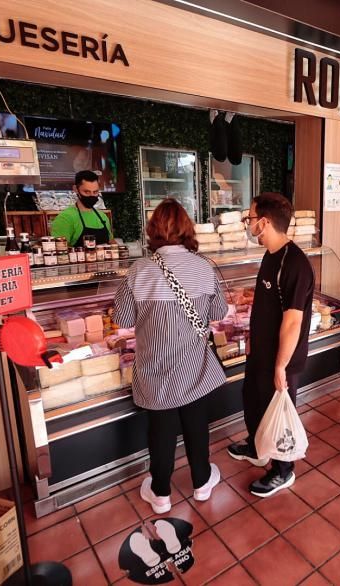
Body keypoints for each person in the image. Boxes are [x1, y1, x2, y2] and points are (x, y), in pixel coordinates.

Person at [114, 199, 227, 514]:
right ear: (187, 229)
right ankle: (202, 483)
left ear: (152, 232)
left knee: (160, 429)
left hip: (154, 368)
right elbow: (219, 311)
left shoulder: (139, 270)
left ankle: (161, 493)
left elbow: (122, 319)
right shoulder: (204, 266)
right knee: (195, 424)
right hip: (194, 366)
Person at [227, 193, 315, 497]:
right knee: (253, 399)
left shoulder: (295, 264)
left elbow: (292, 321)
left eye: (249, 218)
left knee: (277, 410)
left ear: (263, 222)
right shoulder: (270, 254)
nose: (247, 223)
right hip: (261, 352)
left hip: (281, 357)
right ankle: (257, 446)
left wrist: (281, 365)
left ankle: (283, 470)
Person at [51, 170, 114, 246]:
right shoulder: (65, 218)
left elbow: (111, 242)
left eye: (95, 192)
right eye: (87, 192)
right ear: (76, 189)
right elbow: (59, 251)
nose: (91, 196)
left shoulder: (102, 216)